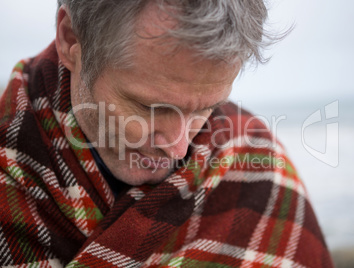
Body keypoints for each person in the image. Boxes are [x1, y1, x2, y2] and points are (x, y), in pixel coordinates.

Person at [0, 0, 333, 267]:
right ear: (71, 39)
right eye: (149, 108)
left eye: (205, 108)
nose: (178, 149)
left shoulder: (257, 162)